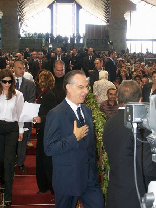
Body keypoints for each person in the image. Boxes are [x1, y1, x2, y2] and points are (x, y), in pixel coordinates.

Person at [44, 70, 105, 208]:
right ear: (68, 87)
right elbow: (49, 148)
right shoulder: (56, 113)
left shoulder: (87, 111)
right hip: (68, 179)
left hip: (90, 178)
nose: (85, 91)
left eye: (86, 87)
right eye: (80, 87)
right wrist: (74, 138)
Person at [103, 80, 146, 208]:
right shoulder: (138, 127)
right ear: (140, 100)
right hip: (134, 195)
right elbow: (145, 166)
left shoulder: (109, 123)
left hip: (114, 192)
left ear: (118, 98)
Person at [0, 69, 24, 206]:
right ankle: (2, 183)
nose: (7, 84)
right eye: (4, 81)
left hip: (12, 129)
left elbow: (20, 114)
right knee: (0, 159)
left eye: (10, 81)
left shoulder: (18, 95)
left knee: (9, 160)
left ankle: (8, 194)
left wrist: (21, 130)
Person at [33, 70, 57, 194]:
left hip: (47, 130)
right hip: (42, 129)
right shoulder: (42, 93)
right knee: (41, 159)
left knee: (46, 159)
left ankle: (51, 187)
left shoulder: (49, 95)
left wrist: (41, 118)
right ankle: (43, 186)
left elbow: (53, 115)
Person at [13, 60, 36, 172]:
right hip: (10, 117)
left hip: (24, 116)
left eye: (23, 68)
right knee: (11, 141)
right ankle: (11, 160)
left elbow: (31, 100)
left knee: (22, 142)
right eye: (19, 68)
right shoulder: (7, 82)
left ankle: (20, 162)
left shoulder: (30, 84)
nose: (22, 70)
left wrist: (24, 114)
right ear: (14, 69)